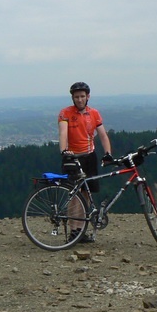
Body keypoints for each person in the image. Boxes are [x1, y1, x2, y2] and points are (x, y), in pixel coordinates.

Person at [58, 82, 113, 242]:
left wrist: (108, 153)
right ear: (72, 98)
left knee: (86, 195)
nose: (80, 99)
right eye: (77, 97)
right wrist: (64, 151)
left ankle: (81, 231)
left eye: (82, 96)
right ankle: (73, 231)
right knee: (74, 196)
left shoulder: (94, 113)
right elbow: (63, 133)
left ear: (88, 96)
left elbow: (102, 135)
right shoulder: (65, 113)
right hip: (73, 158)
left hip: (90, 157)